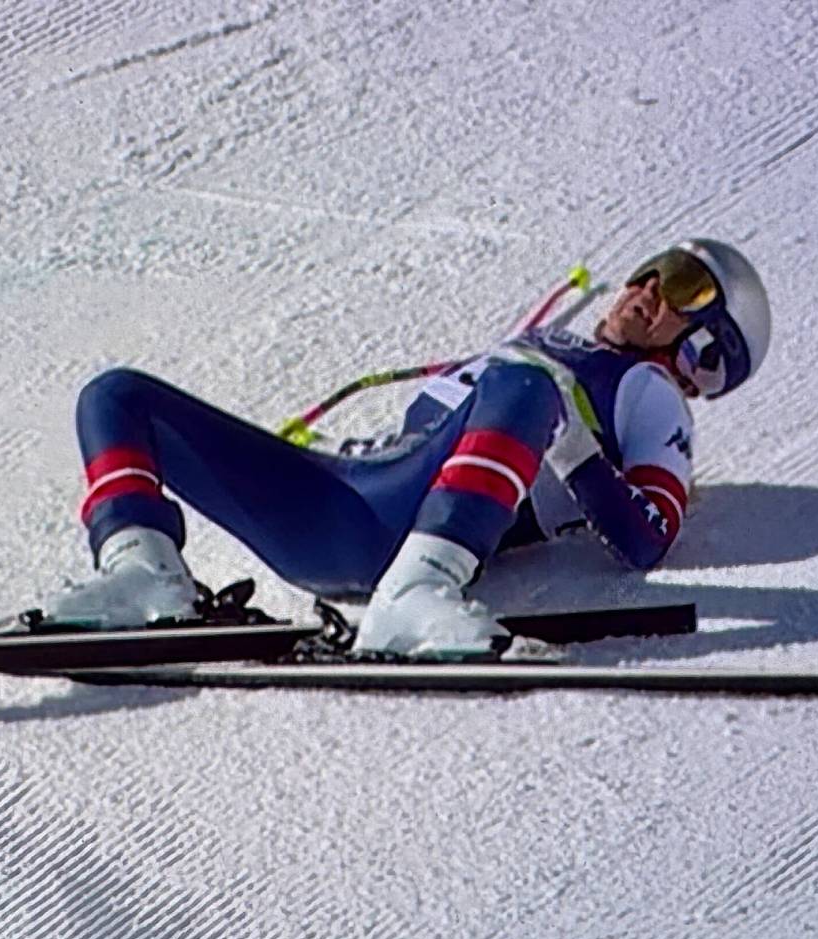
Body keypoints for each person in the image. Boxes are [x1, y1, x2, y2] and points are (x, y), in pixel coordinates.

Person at [39, 238, 771, 658]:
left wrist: (573, 445)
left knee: (525, 385)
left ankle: (422, 588)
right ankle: (143, 574)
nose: (647, 286)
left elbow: (648, 538)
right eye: (653, 268)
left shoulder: (650, 389)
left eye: (683, 284)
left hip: (416, 529)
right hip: (343, 501)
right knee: (116, 395)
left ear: (707, 348)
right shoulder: (550, 351)